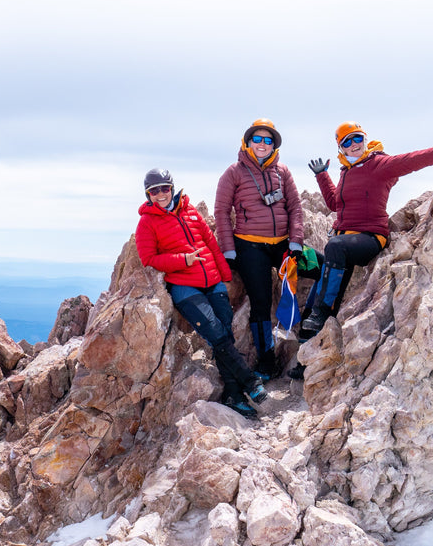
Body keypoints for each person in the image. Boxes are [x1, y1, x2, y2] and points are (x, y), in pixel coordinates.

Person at [300, 122, 433, 339]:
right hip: (344, 244)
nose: (354, 144)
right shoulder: (346, 171)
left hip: (369, 238)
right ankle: (307, 350)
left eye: (357, 138)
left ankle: (319, 313)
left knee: (334, 250)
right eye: (347, 141)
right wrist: (322, 176)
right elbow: (333, 204)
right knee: (325, 291)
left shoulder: (378, 164)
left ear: (364, 140)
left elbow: (412, 160)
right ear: (341, 148)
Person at [135, 168, 266, 418]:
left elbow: (210, 244)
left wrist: (225, 276)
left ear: (172, 188)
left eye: (164, 188)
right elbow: (148, 258)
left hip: (213, 281)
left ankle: (234, 395)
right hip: (184, 286)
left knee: (225, 333)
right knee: (216, 334)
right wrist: (182, 260)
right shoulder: (147, 222)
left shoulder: (190, 211)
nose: (160, 194)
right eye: (154, 191)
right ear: (148, 195)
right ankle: (250, 383)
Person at [214, 118, 322, 380]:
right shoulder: (234, 172)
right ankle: (266, 362)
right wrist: (228, 250)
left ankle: (309, 327)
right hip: (249, 247)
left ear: (274, 144)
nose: (262, 144)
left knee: (322, 266)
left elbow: (295, 207)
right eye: (257, 139)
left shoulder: (282, 171)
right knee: (260, 304)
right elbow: (221, 211)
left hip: (283, 245)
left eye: (268, 140)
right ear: (248, 142)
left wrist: (296, 241)